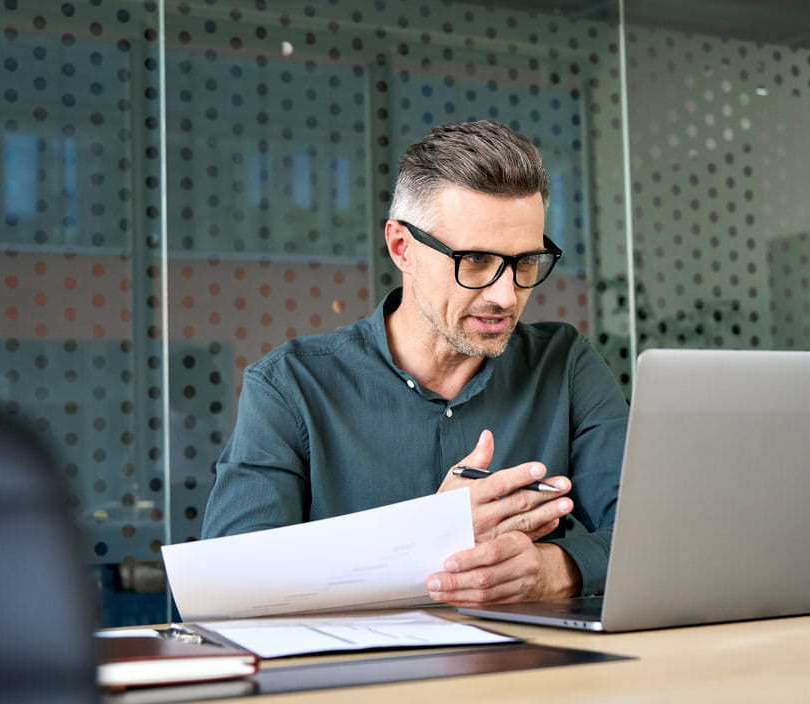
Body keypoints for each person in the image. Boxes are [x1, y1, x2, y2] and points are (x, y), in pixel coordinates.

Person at [201, 120, 629, 606]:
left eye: (526, 262)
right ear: (402, 247)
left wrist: (557, 569)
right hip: (364, 682)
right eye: (474, 261)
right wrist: (426, 536)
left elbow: (656, 535)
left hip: (538, 674)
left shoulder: (565, 364)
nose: (506, 295)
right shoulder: (290, 386)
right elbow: (228, 586)